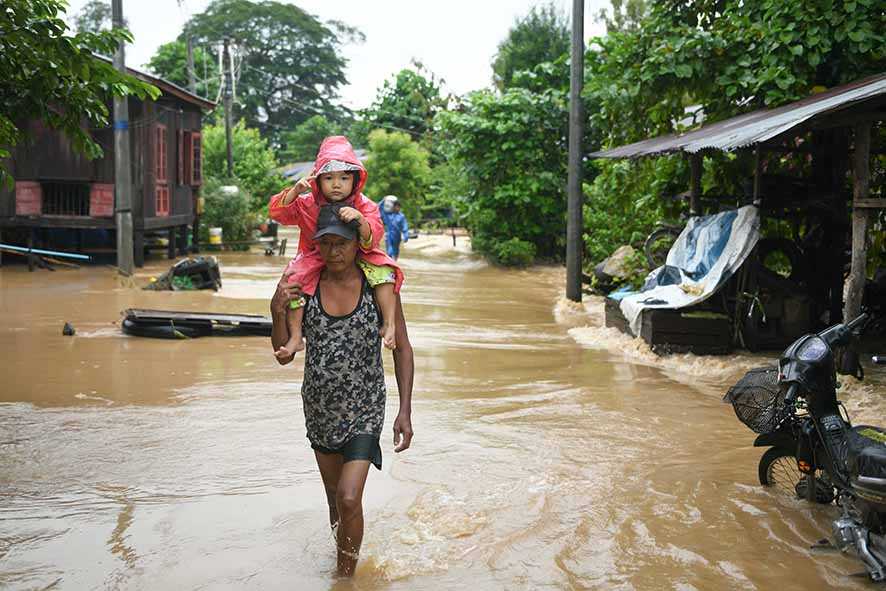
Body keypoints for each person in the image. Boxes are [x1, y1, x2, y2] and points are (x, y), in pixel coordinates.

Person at [270, 205, 415, 577]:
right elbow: (285, 355)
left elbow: (402, 348)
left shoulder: (377, 287)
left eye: (341, 244)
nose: (334, 252)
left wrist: (405, 411)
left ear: (356, 246)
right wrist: (276, 311)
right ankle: (343, 559)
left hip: (366, 407)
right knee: (336, 501)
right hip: (320, 408)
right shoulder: (305, 287)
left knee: (350, 496)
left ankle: (344, 580)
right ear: (316, 246)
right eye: (326, 244)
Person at [268, 136, 403, 358]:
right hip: (314, 254)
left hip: (359, 253)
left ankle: (389, 323)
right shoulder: (307, 203)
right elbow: (278, 214)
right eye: (328, 178)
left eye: (344, 178)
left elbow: (375, 233)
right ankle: (295, 336)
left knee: (385, 271)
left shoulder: (364, 204)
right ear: (318, 180)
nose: (336, 184)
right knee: (294, 278)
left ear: (355, 180)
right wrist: (293, 192)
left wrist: (360, 220)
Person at [378, 195, 410, 260]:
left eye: (399, 207)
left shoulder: (401, 216)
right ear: (393, 207)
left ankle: (395, 262)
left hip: (397, 236)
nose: (397, 208)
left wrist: (406, 235)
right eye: (396, 206)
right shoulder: (387, 215)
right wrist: (383, 200)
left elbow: (405, 226)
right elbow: (379, 208)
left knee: (396, 251)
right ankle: (390, 263)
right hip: (389, 235)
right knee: (389, 251)